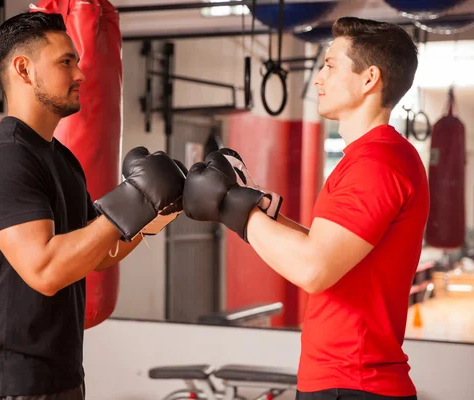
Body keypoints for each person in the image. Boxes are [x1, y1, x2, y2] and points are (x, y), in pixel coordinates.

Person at [183, 16, 429, 400]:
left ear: (369, 79)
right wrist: (250, 202)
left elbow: (312, 269)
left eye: (330, 66)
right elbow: (322, 246)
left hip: (353, 384)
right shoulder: (372, 157)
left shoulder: (377, 163)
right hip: (344, 381)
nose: (318, 79)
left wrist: (232, 205)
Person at [0, 12, 186, 400]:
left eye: (77, 61)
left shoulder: (61, 159)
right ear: (23, 69)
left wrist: (158, 212)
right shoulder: (2, 158)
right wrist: (134, 197)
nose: (80, 74)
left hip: (61, 378)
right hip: (9, 386)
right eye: (66, 62)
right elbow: (45, 270)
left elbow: (98, 252)